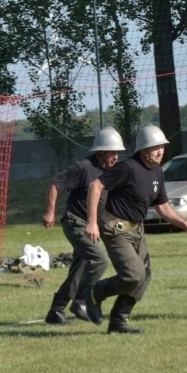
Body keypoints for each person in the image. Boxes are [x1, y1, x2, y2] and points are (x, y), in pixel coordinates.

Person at [82, 124, 187, 333]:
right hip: (115, 229)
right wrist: (92, 222)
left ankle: (118, 321)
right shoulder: (127, 167)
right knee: (134, 275)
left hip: (137, 230)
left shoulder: (157, 172)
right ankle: (95, 292)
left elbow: (162, 207)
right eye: (156, 147)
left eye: (162, 147)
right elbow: (95, 186)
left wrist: (184, 223)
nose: (161, 151)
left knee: (145, 276)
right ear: (143, 150)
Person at [42, 127, 126, 325]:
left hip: (92, 226)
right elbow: (56, 184)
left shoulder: (110, 171)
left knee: (79, 269)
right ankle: (81, 300)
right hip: (75, 222)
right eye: (112, 153)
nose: (116, 157)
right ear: (100, 152)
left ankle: (56, 310)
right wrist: (50, 211)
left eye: (117, 153)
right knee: (99, 260)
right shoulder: (83, 167)